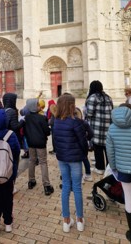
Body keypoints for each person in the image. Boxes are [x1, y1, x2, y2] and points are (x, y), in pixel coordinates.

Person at [53, 94, 88, 233]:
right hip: (74, 159)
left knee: (66, 187)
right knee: (77, 188)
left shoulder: (56, 121)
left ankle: (66, 221)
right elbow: (83, 142)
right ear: (72, 105)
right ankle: (79, 220)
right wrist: (83, 154)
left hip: (62, 158)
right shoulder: (76, 122)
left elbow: (55, 142)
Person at [106, 103, 131, 243]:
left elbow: (110, 152)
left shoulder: (112, 128)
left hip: (123, 169)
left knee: (129, 198)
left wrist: (113, 167)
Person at [24, 98, 54, 196]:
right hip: (40, 143)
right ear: (33, 106)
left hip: (31, 143)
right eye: (37, 105)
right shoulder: (41, 118)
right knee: (43, 162)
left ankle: (31, 181)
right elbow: (47, 132)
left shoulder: (26, 118)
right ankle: (46, 185)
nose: (39, 106)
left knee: (32, 160)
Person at [85, 80, 113, 175]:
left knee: (98, 148)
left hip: (97, 127)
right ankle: (110, 169)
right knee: (107, 148)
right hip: (108, 127)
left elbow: (89, 113)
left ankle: (100, 168)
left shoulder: (92, 98)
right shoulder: (108, 97)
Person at [74, 107, 94, 182]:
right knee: (85, 159)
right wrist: (87, 138)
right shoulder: (84, 122)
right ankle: (88, 175)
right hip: (83, 144)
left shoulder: (70, 123)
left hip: (74, 145)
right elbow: (91, 133)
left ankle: (80, 177)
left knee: (77, 162)